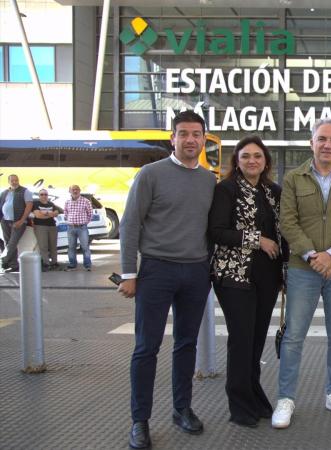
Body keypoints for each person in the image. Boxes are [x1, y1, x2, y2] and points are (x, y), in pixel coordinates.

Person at [118, 110, 217, 449]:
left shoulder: (209, 180)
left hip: (195, 272)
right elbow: (130, 224)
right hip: (156, 271)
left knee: (186, 344)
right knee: (147, 347)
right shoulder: (151, 174)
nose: (190, 139)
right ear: (172, 138)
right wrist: (129, 273)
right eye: (183, 133)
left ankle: (182, 409)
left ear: (204, 139)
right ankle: (139, 420)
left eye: (196, 134)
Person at [271, 119, 331, 429]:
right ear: (311, 143)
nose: (328, 145)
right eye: (322, 139)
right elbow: (288, 222)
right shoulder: (294, 179)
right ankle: (286, 398)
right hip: (303, 268)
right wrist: (313, 255)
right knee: (294, 336)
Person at [209, 135, 288, 428]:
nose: (252, 161)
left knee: (255, 342)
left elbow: (283, 235)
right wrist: (257, 239)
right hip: (234, 276)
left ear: (266, 160)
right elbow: (217, 231)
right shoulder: (226, 190)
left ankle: (254, 395)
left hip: (267, 277)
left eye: (257, 156)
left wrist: (285, 274)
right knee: (241, 340)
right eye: (245, 156)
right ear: (237, 161)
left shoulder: (273, 191)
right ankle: (239, 404)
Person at [0, 174, 33, 273]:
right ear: (8, 182)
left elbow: (29, 206)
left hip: (18, 221)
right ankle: (14, 265)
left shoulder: (25, 191)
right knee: (8, 243)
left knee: (12, 243)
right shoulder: (4, 192)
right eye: (12, 180)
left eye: (16, 180)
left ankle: (3, 260)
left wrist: (22, 220)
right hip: (5, 221)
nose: (14, 182)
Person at [63, 185, 93, 271]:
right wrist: (68, 221)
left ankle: (87, 265)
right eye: (73, 190)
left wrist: (84, 223)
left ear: (80, 191)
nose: (75, 191)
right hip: (70, 228)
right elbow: (65, 213)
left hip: (82, 228)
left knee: (85, 247)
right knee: (71, 247)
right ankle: (72, 264)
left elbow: (90, 214)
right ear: (69, 191)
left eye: (77, 189)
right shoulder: (67, 202)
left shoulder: (85, 201)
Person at [32, 189, 63, 269]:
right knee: (43, 245)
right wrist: (50, 214)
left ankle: (54, 262)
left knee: (53, 246)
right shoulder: (36, 203)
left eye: (45, 194)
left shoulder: (51, 204)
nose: (44, 196)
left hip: (52, 226)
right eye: (42, 194)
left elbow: (56, 213)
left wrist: (45, 213)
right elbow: (38, 215)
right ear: (39, 196)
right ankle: (46, 263)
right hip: (40, 226)